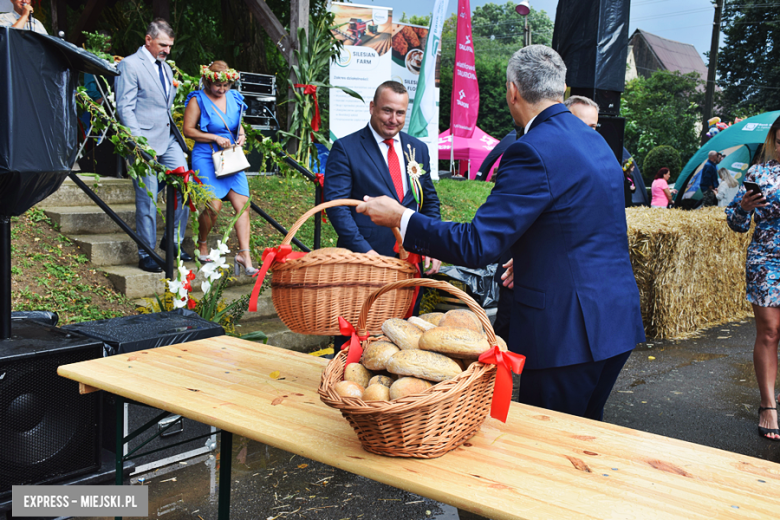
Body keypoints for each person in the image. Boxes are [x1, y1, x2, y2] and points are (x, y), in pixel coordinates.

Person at [357, 45, 645, 421]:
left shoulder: (532, 150)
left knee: (545, 448)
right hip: (615, 319)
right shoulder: (596, 141)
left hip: (567, 333)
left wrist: (402, 218)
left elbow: (479, 243)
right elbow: (579, 224)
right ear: (562, 87)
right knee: (583, 440)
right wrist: (530, 255)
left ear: (512, 91)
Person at [324, 80, 441, 274]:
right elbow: (338, 207)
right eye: (387, 110)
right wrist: (366, 252)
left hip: (412, 258)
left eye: (400, 113)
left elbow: (429, 202)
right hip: (364, 259)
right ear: (372, 107)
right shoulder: (346, 148)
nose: (393, 119)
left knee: (412, 306)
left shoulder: (418, 149)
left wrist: (434, 245)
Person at [115, 18, 191, 273]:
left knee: (185, 185)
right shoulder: (130, 64)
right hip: (143, 141)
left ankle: (172, 241)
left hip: (168, 139)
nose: (167, 50)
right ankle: (145, 252)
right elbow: (124, 107)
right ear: (148, 40)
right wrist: (138, 144)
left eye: (170, 46)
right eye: (163, 45)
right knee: (147, 198)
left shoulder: (166, 69)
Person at [725, 116, 780, 440]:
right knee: (770, 332)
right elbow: (735, 222)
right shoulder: (758, 173)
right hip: (767, 260)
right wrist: (745, 207)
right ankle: (768, 405)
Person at [183, 61, 256, 275]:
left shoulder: (234, 98)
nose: (222, 89)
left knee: (242, 204)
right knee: (213, 206)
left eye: (226, 85)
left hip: (230, 155)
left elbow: (236, 123)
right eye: (218, 86)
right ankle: (202, 242)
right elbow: (188, 130)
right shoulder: (197, 99)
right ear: (207, 80)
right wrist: (214, 137)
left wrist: (241, 135)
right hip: (206, 155)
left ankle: (245, 254)